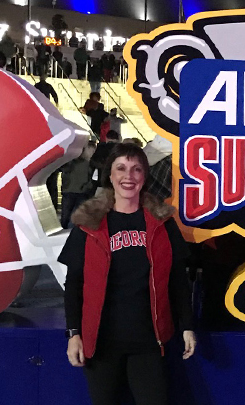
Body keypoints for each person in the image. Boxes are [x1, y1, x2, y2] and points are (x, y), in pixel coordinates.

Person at [59, 143, 196, 405]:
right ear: (110, 175)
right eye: (121, 168)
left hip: (148, 340)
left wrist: (187, 325)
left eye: (136, 170)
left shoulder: (162, 223)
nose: (128, 176)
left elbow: (178, 279)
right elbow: (74, 283)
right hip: (101, 342)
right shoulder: (88, 223)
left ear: (144, 176)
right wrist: (73, 333)